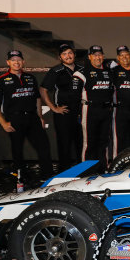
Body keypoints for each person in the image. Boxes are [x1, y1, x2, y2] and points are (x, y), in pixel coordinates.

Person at [0, 50, 53, 183]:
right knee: (17, 150)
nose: (16, 62)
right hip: (14, 119)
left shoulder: (30, 78)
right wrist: (3, 123)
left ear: (23, 62)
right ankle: (21, 178)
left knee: (44, 146)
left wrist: (40, 116)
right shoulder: (0, 80)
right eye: (13, 60)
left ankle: (47, 177)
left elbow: (37, 98)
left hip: (32, 117)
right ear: (8, 62)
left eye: (18, 59)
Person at [39, 43, 83, 172]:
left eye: (70, 53)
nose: (68, 56)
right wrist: (54, 108)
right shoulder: (56, 71)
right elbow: (43, 90)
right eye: (64, 54)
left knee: (81, 143)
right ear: (60, 57)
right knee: (65, 145)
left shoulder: (82, 68)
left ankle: (83, 171)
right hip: (64, 112)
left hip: (81, 111)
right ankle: (64, 173)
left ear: (74, 54)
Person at [72, 45, 114, 171]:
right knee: (89, 143)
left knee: (104, 142)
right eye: (95, 55)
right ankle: (86, 172)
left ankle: (102, 169)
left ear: (103, 56)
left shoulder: (108, 72)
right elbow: (74, 97)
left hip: (106, 111)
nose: (98, 57)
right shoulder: (81, 73)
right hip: (90, 111)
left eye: (100, 55)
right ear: (89, 57)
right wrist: (77, 114)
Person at [111, 45, 130, 157]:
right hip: (120, 110)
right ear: (118, 58)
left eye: (126, 54)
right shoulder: (113, 71)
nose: (124, 57)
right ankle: (116, 165)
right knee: (120, 140)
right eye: (121, 55)